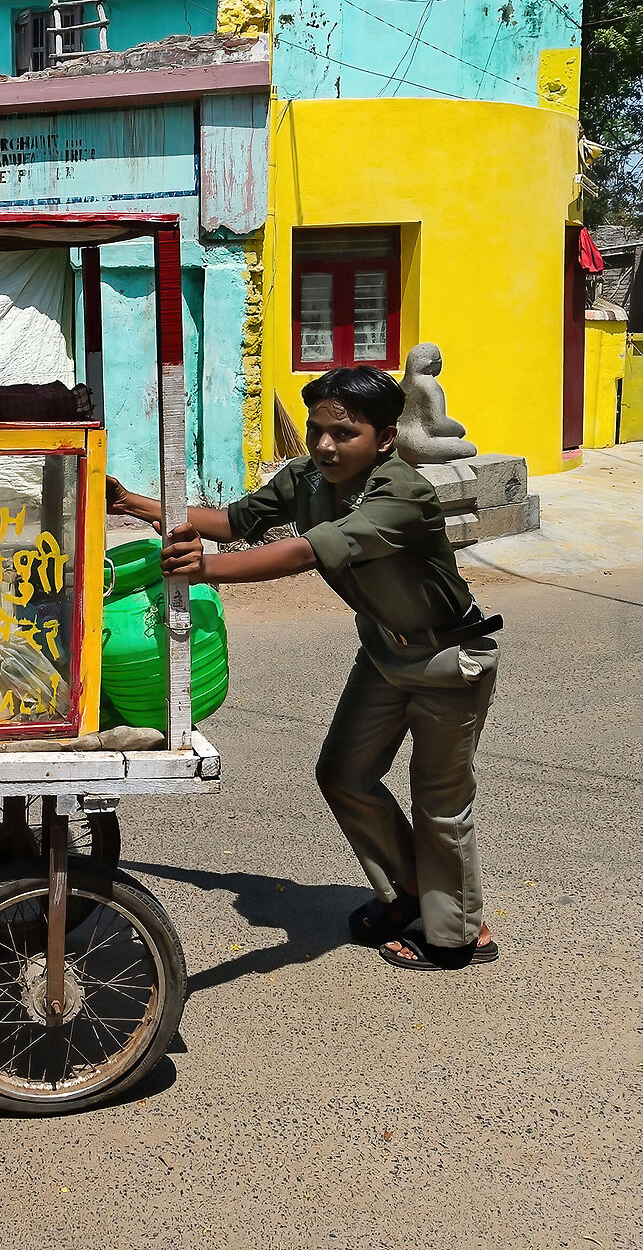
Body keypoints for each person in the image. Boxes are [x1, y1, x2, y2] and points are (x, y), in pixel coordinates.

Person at [106, 365, 500, 970]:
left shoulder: (403, 494)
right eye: (317, 430)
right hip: (384, 652)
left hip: (449, 658)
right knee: (343, 773)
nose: (324, 445)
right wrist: (135, 503)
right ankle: (411, 892)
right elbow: (235, 522)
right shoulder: (309, 476)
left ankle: (454, 934)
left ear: (384, 439)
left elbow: (304, 552)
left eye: (344, 434)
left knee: (439, 801)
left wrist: (204, 570)